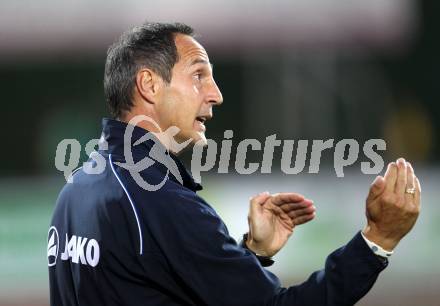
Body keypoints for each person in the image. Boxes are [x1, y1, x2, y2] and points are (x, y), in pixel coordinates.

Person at [47, 22, 421, 306]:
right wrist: (377, 241)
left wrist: (251, 254)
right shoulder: (160, 202)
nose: (216, 94)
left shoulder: (77, 187)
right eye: (198, 75)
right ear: (149, 84)